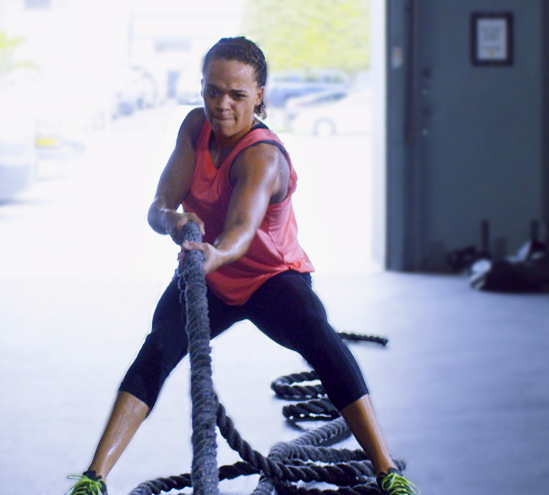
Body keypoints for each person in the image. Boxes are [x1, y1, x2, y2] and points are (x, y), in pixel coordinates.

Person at [64, 37, 420, 495]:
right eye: (213, 91)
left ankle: (387, 470)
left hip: (269, 278)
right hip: (208, 273)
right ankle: (94, 478)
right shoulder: (195, 129)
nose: (222, 105)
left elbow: (240, 231)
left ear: (260, 95)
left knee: (322, 342)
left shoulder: (262, 156)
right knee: (157, 350)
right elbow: (158, 207)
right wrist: (172, 221)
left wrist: (214, 254)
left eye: (236, 94)